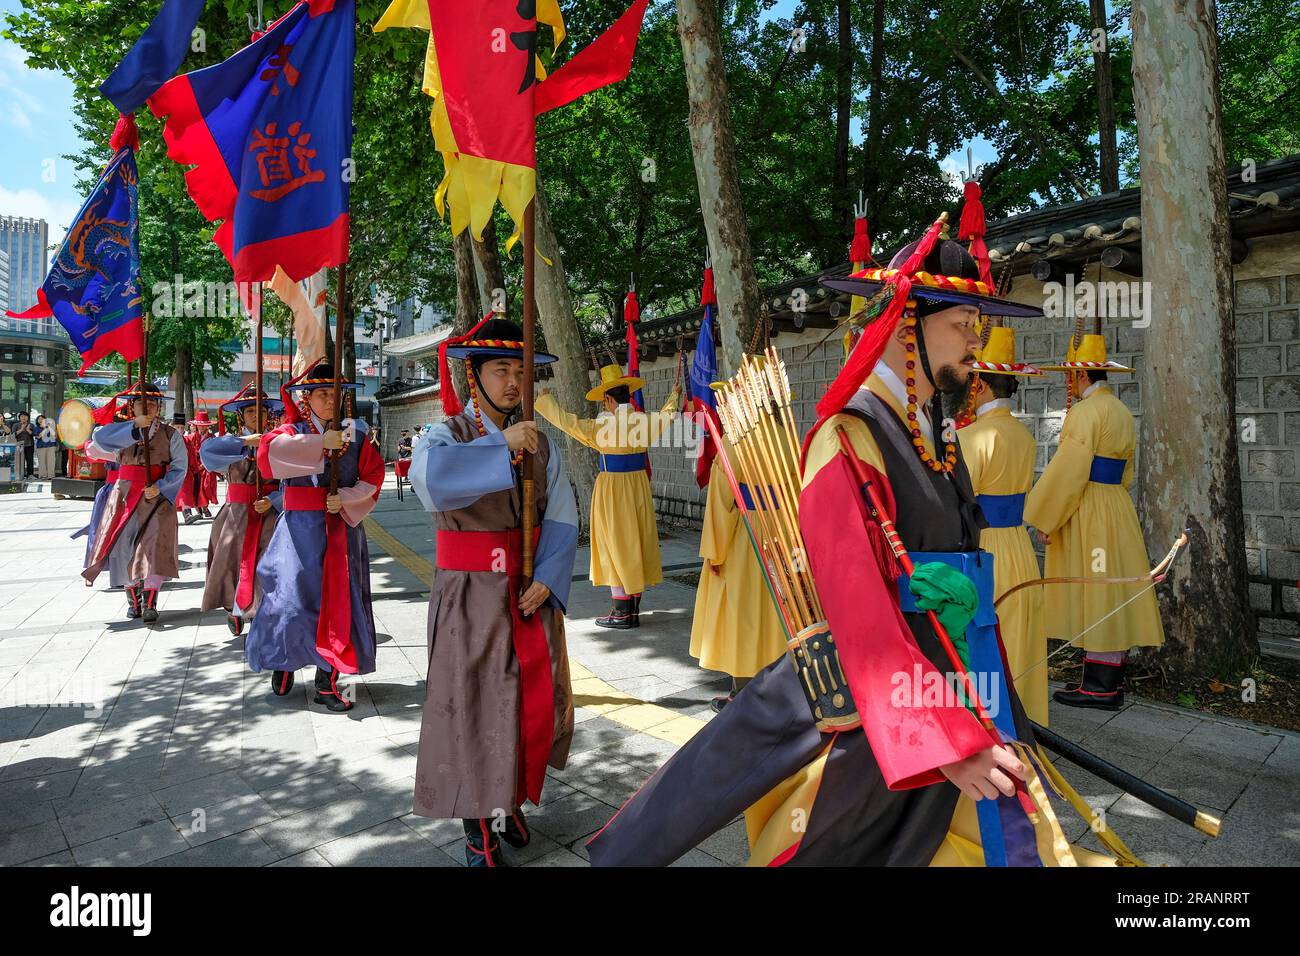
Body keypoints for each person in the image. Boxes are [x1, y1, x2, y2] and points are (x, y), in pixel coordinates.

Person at [586, 217, 1114, 868]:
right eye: (962, 325)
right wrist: (943, 739)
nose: (976, 342)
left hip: (956, 693)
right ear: (904, 327)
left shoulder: (937, 437)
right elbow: (860, 614)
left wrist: (990, 703)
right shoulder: (849, 440)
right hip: (886, 724)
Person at [408, 317, 579, 867]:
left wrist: (548, 577)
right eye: (501, 369)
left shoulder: (542, 444)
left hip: (525, 591)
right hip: (468, 595)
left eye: (522, 371)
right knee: (472, 705)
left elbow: (562, 516)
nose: (513, 382)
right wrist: (499, 447)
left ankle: (506, 799)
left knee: (522, 699)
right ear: (473, 375)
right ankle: (475, 819)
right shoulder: (444, 435)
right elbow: (432, 481)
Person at [1024, 334, 1164, 710]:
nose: (1070, 382)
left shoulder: (1085, 413)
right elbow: (1127, 471)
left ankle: (1099, 686)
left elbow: (1069, 471)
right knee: (1108, 588)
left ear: (1081, 376)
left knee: (1096, 586)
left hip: (1089, 507)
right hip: (1116, 505)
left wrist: (1045, 517)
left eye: (1072, 376)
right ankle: (1105, 679)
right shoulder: (1120, 411)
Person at [244, 363, 384, 711]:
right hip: (298, 531)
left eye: (335, 393)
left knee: (337, 605)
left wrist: (347, 498)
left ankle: (327, 682)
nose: (329, 400)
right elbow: (267, 458)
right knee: (289, 601)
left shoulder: (356, 436)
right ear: (306, 397)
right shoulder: (289, 431)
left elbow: (373, 476)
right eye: (322, 393)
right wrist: (319, 443)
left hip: (341, 531)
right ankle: (283, 659)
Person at [535, 365, 681, 628]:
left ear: (610, 399)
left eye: (604, 401)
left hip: (612, 488)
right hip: (638, 485)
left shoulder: (601, 427)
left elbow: (568, 423)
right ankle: (633, 609)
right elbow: (667, 415)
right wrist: (674, 396)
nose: (603, 406)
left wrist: (546, 400)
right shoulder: (643, 421)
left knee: (615, 543)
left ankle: (620, 612)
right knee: (636, 540)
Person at [956, 327, 1048, 724]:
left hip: (983, 548)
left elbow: (957, 500)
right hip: (1019, 548)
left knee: (985, 632)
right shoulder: (1023, 436)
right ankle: (1021, 714)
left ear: (979, 386)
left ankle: (988, 722)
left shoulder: (972, 437)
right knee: (1019, 632)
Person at [689, 395, 788, 713]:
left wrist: (714, 552)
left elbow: (721, 502)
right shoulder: (786, 437)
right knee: (775, 609)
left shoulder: (735, 440)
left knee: (742, 611)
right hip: (780, 533)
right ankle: (778, 683)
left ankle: (742, 691)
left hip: (744, 536)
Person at [82, 385, 187, 622]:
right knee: (122, 546)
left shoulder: (171, 434)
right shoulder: (121, 431)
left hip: (157, 497)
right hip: (124, 496)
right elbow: (98, 439)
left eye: (152, 402)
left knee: (155, 545)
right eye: (141, 402)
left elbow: (180, 467)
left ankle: (150, 600)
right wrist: (132, 427)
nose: (147, 406)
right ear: (132, 406)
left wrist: (160, 486)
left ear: (159, 406)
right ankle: (132, 599)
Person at [200, 387, 285, 636]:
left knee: (266, 563)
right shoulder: (230, 444)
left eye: (260, 410)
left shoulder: (280, 441)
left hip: (269, 512)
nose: (255, 415)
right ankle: (233, 607)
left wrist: (274, 499)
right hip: (235, 514)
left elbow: (293, 480)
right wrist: (246, 442)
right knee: (230, 561)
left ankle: (260, 610)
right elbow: (206, 454)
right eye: (249, 411)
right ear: (241, 416)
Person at [35, 415, 58, 480]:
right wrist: (45, 428)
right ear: (37, 421)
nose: (41, 420)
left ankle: (51, 475)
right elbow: (39, 436)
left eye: (42, 419)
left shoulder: (50, 427)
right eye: (39, 419)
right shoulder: (37, 428)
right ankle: (43, 475)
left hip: (51, 446)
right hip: (41, 447)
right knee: (42, 462)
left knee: (51, 461)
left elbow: (53, 434)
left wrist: (48, 427)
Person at [14, 412, 34, 479]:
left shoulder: (31, 425)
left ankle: (30, 475)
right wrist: (21, 429)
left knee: (30, 461)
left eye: (25, 416)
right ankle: (20, 475)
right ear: (19, 418)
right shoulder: (16, 425)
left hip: (29, 445)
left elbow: (34, 434)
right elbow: (13, 434)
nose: (24, 418)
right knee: (19, 461)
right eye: (22, 416)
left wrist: (28, 430)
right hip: (19, 446)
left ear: (28, 418)